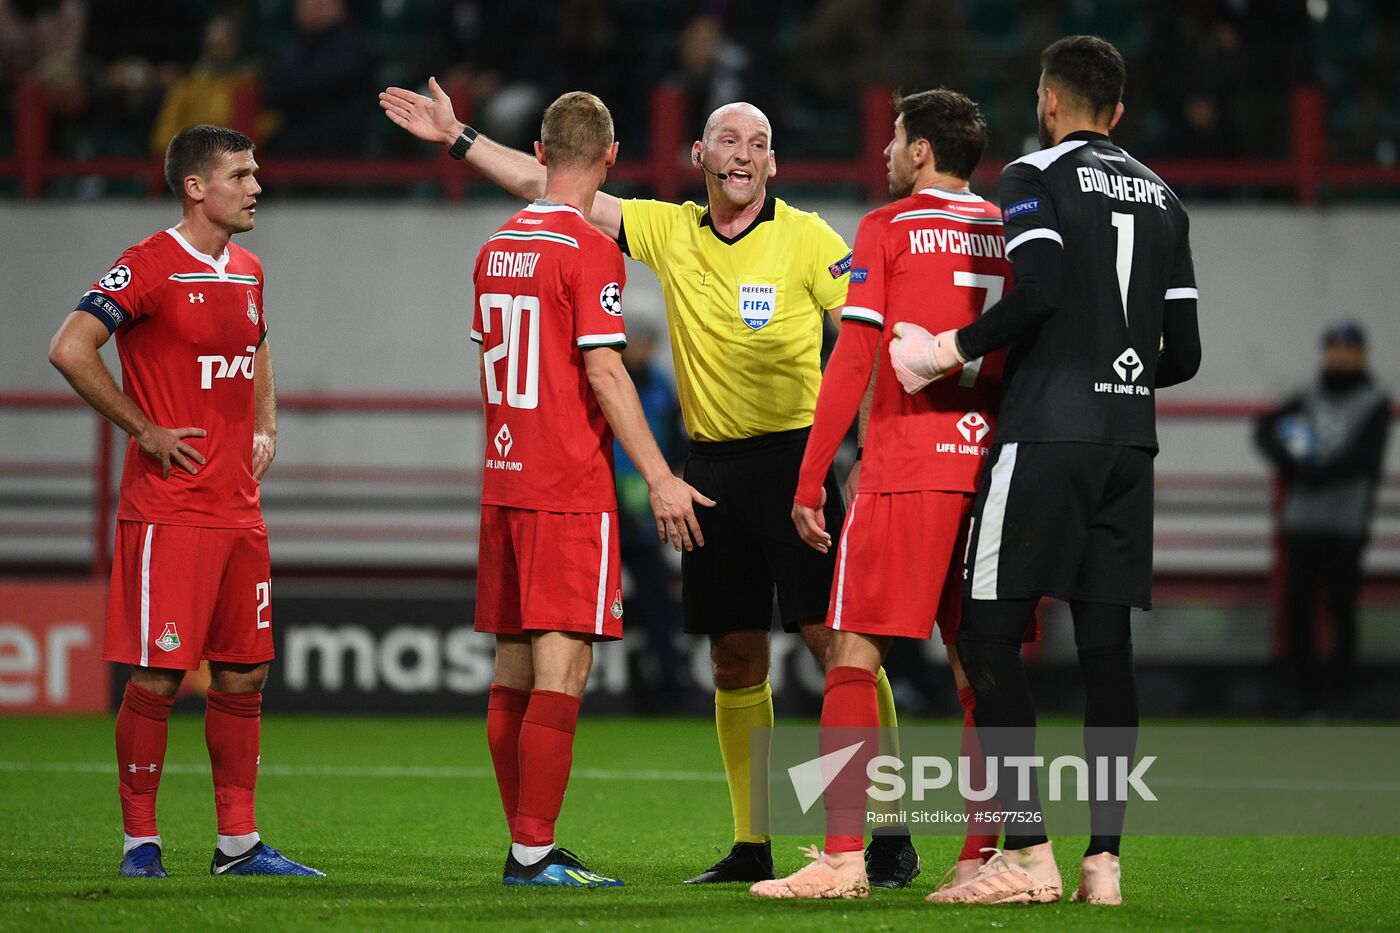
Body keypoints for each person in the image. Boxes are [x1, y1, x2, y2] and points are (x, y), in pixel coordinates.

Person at [380, 79, 921, 887]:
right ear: (699, 156)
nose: (741, 154)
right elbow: (555, 186)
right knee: (734, 656)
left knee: (836, 644)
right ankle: (752, 842)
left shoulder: (812, 240)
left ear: (772, 162)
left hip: (794, 460)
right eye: (726, 141)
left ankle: (887, 828)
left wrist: (873, 448)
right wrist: (458, 139)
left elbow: (870, 342)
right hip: (708, 467)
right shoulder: (667, 229)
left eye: (756, 143)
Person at [895, 36, 1201, 906]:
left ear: (1050, 100)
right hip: (1127, 440)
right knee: (1108, 647)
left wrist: (946, 350)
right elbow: (1183, 353)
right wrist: (1118, 364)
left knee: (987, 633)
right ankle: (1103, 861)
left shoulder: (1033, 174)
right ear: (1119, 109)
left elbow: (1040, 290)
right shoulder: (1167, 198)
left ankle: (1026, 851)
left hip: (1046, 434)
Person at [751, 87, 1030, 899]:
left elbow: (853, 359)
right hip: (988, 471)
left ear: (920, 152)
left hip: (905, 468)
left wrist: (810, 477)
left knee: (851, 654)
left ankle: (842, 857)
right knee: (980, 666)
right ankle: (982, 857)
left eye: (895, 138)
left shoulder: (886, 227)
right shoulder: (1009, 229)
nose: (882, 152)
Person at [47, 125, 321, 878]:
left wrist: (267, 421)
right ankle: (141, 840)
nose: (256, 185)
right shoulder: (148, 265)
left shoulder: (251, 269)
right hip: (169, 511)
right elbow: (70, 347)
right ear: (196, 187)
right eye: (241, 174)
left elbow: (258, 342)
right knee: (159, 676)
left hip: (239, 511)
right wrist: (144, 428)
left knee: (243, 673)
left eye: (256, 171)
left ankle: (238, 844)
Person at [470, 90, 712, 887]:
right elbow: (606, 371)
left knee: (512, 669)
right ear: (611, 159)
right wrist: (660, 475)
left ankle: (526, 843)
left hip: (504, 478)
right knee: (561, 671)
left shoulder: (497, 242)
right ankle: (533, 852)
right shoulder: (589, 250)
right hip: (567, 484)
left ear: (539, 151)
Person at [1254, 322, 1391, 715]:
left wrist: (1315, 473)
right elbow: (1265, 428)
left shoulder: (1373, 402)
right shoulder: (1308, 396)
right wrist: (1290, 460)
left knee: (1342, 608)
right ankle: (1303, 693)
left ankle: (1340, 694)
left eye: (1348, 350)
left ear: (1361, 355)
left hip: (1346, 525)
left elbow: (1365, 458)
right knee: (1297, 606)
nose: (1340, 357)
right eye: (1334, 349)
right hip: (1302, 522)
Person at [613, 322, 689, 710]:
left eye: (649, 341)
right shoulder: (605, 379)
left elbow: (677, 443)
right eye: (640, 340)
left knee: (658, 604)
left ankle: (669, 684)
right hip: (606, 512)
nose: (644, 348)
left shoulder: (661, 386)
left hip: (646, 516)